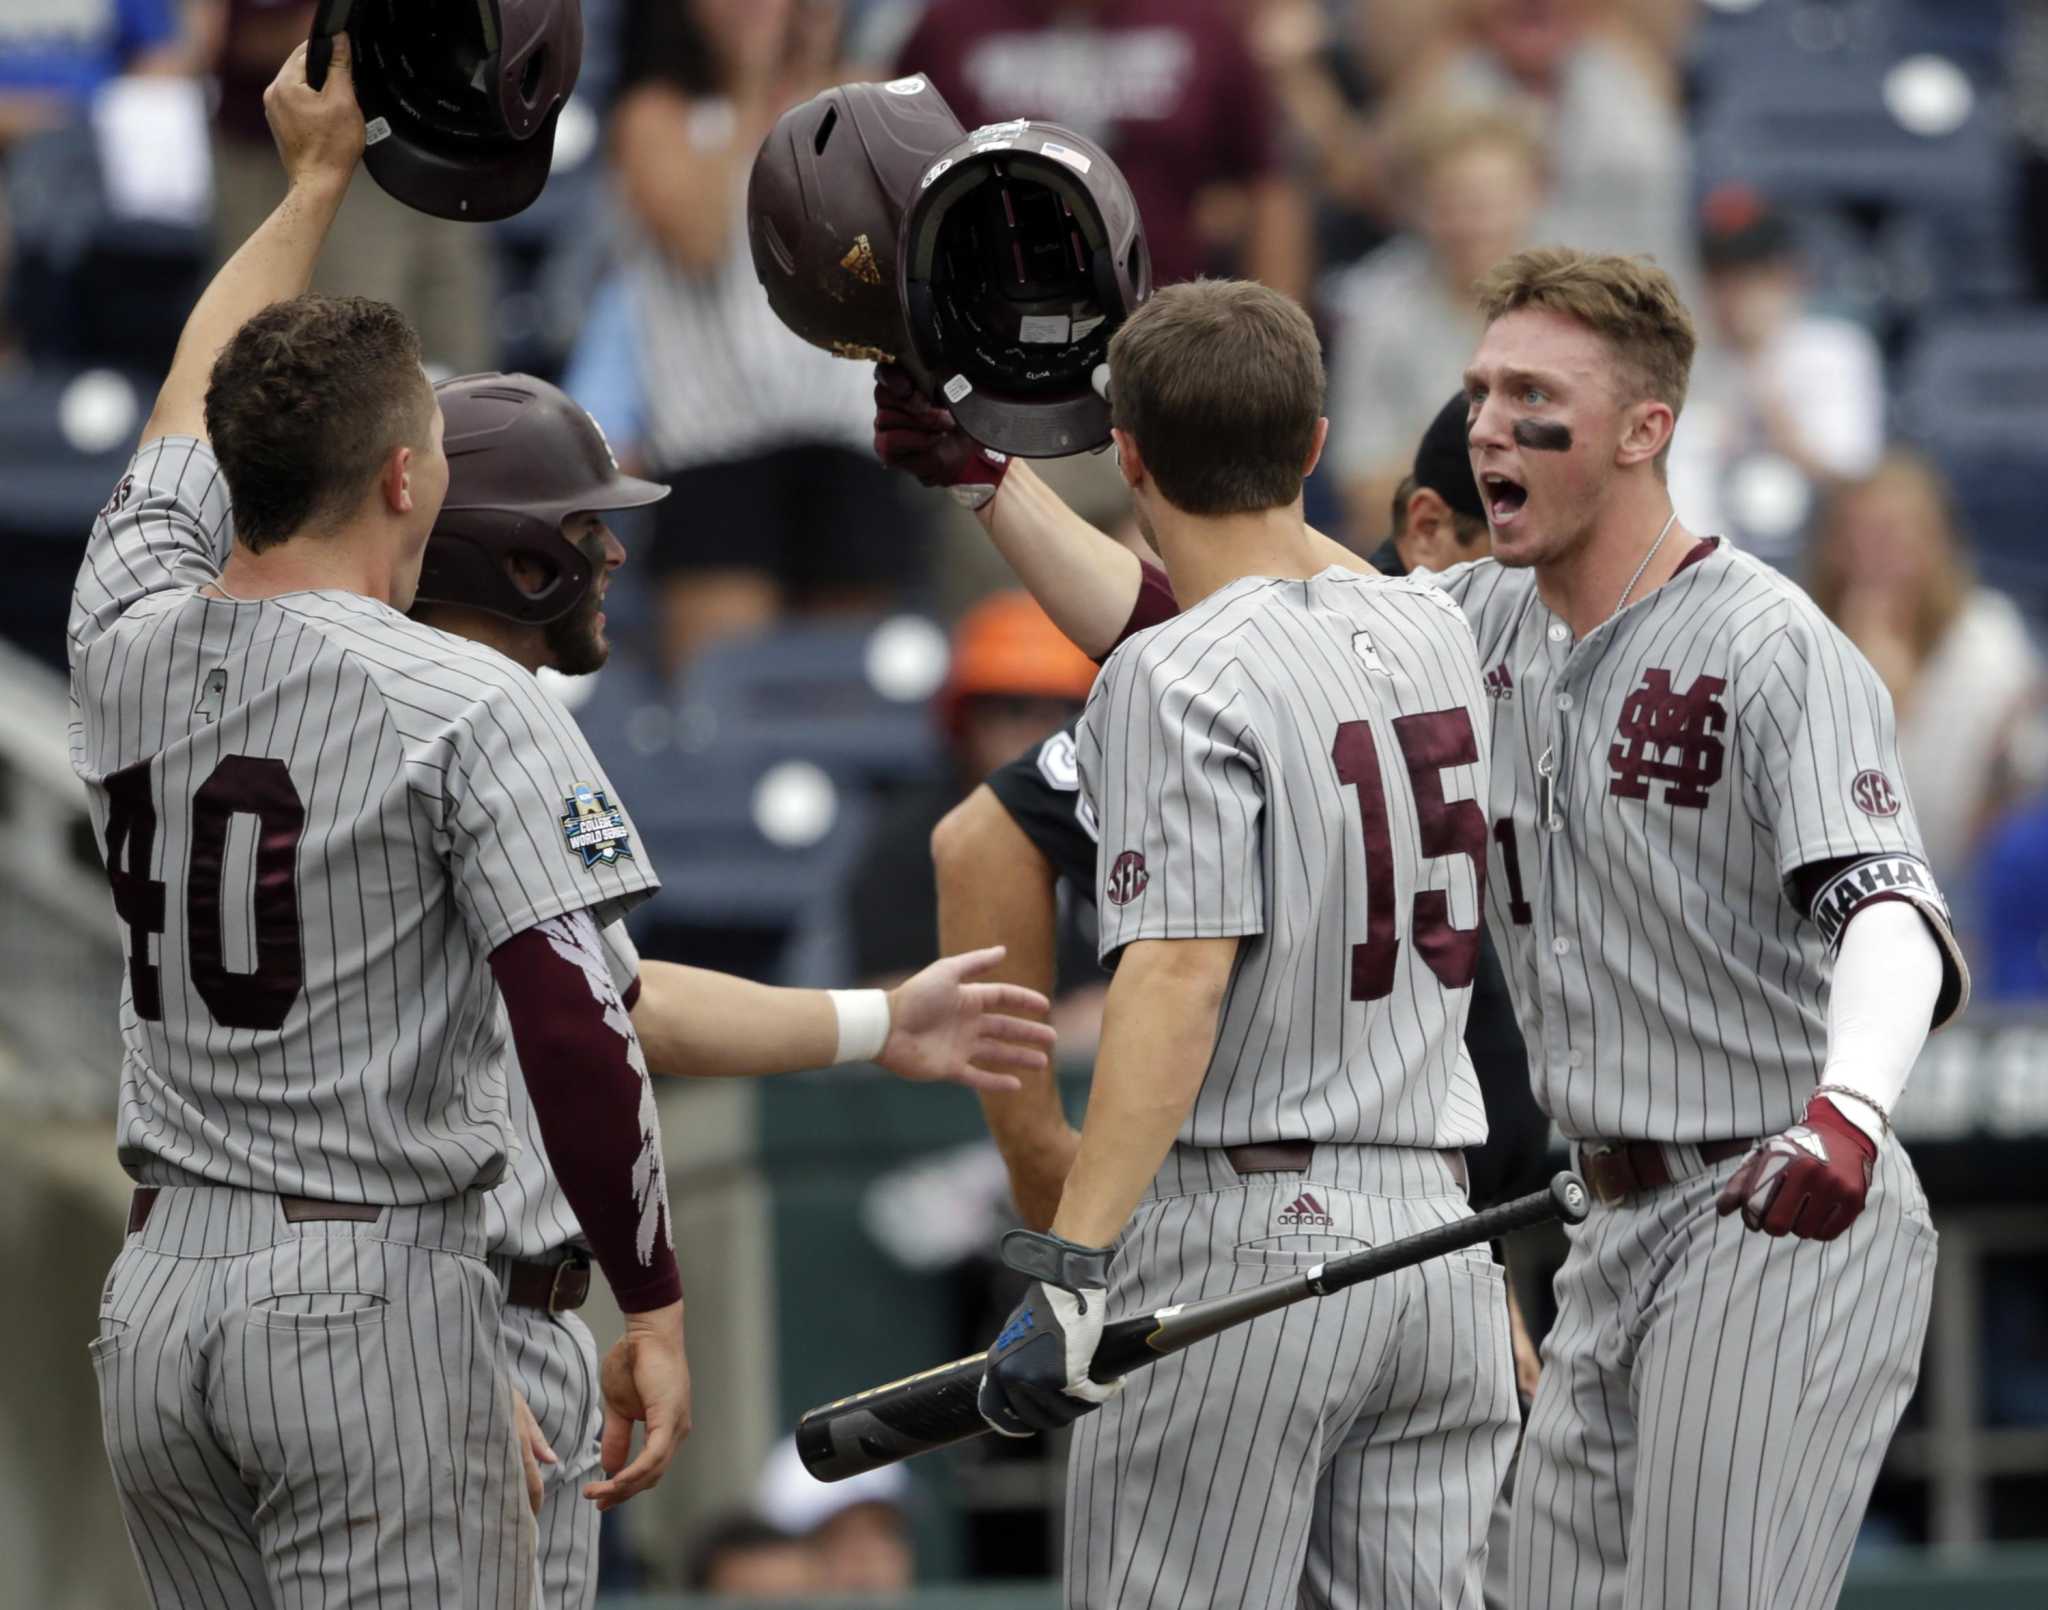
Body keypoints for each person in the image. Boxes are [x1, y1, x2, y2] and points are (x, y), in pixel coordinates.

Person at [883, 248, 1970, 1610]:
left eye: (1533, 395)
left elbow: (1891, 903)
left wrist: (1854, 1107)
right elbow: (1229, 618)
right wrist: (995, 481)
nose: (1490, 425)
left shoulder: (1768, 640)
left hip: (1775, 1195)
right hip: (1597, 1220)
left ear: (1647, 428)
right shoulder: (1466, 624)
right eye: (1481, 390)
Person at [72, 40, 688, 1607]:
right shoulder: (463, 701)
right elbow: (576, 1021)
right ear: (408, 477)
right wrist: (655, 1299)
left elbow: (179, 411)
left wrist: (311, 187)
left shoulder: (120, 624)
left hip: (156, 1297)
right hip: (369, 1281)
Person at [411, 370, 1058, 1609]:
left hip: (258, 1278)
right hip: (429, 1302)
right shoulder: (491, 717)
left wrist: (876, 1020)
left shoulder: (291, 688)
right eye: (583, 527)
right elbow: (583, 1020)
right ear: (513, 556)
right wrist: (627, 1303)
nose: (614, 554)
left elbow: (616, 992)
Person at [966, 278, 1520, 1607]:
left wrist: (1073, 1262)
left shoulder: (1169, 672)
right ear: (1318, 447)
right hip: (1437, 1242)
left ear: (1133, 460)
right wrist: (982, 479)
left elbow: (1176, 970)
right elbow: (1284, 573)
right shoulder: (1434, 623)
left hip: (1248, 1239)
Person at [609, 0, 928, 674]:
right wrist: (755, 87)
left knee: (844, 696)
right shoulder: (658, 116)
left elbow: (906, 234)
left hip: (852, 437)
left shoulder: (868, 99)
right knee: (720, 691)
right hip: (716, 449)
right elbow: (695, 238)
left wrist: (816, 73)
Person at [893, 0, 1311, 300]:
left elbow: (1268, 186)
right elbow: (897, 181)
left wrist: (1279, 329)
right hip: (994, 329)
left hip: (1165, 329)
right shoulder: (946, 26)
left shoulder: (1202, 23)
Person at [1806, 452, 2046, 928]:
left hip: (1968, 888)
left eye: (1895, 534)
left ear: (1937, 542)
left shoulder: (1987, 637)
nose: (1876, 553)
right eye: (1858, 535)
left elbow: (2027, 772)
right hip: (1833, 893)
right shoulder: (1801, 638)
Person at [204, 0, 492, 373]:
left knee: (454, 331)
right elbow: (242, 37)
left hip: (434, 120)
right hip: (310, 144)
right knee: (343, 350)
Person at [1323, 109, 1545, 546]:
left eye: (1487, 203)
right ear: (1419, 208)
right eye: (1452, 203)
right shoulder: (1377, 319)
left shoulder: (1578, 316)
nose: (1471, 223)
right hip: (1426, 570)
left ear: (1533, 196)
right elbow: (1365, 492)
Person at [1668, 187, 1885, 571]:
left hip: (1821, 560)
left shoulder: (1834, 351)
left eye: (1754, 275)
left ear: (1791, 275)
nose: (1737, 293)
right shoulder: (1678, 365)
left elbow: (1855, 485)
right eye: (1722, 277)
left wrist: (1762, 382)